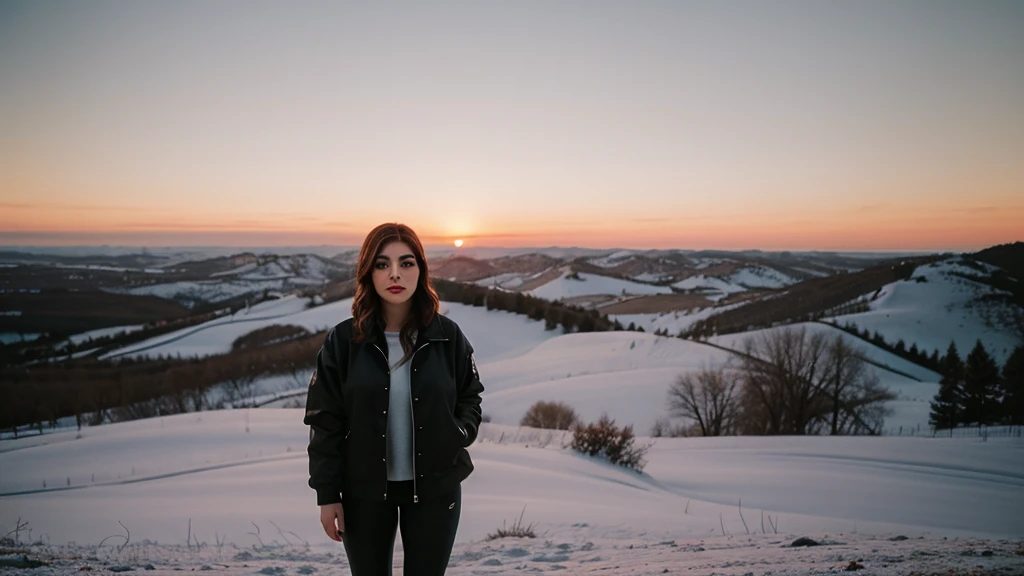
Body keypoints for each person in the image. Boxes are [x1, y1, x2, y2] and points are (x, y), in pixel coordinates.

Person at [304, 222, 484, 576]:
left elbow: (470, 396)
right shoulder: (343, 342)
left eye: (406, 262)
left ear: (421, 269)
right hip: (363, 493)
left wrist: (459, 433)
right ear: (368, 272)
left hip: (435, 489)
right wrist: (327, 494)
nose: (395, 274)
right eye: (382, 264)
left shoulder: (447, 337)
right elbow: (325, 421)